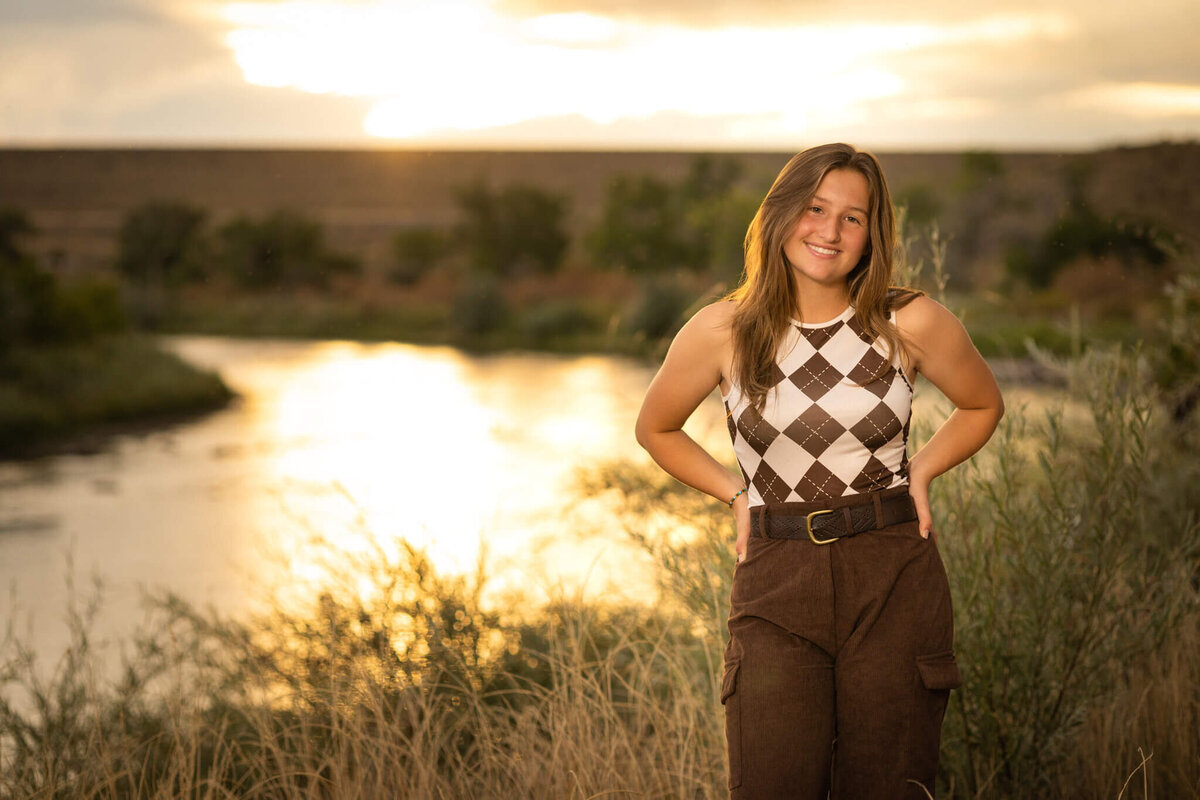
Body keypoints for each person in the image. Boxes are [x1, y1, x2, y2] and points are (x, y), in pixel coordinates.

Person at [634, 143, 1004, 799]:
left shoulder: (908, 321)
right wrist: (735, 493)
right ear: (780, 214)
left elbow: (982, 404)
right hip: (776, 574)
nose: (830, 231)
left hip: (893, 570)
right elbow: (656, 428)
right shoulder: (724, 330)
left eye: (852, 217)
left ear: (872, 233)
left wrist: (919, 472)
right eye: (814, 209)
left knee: (889, 786)